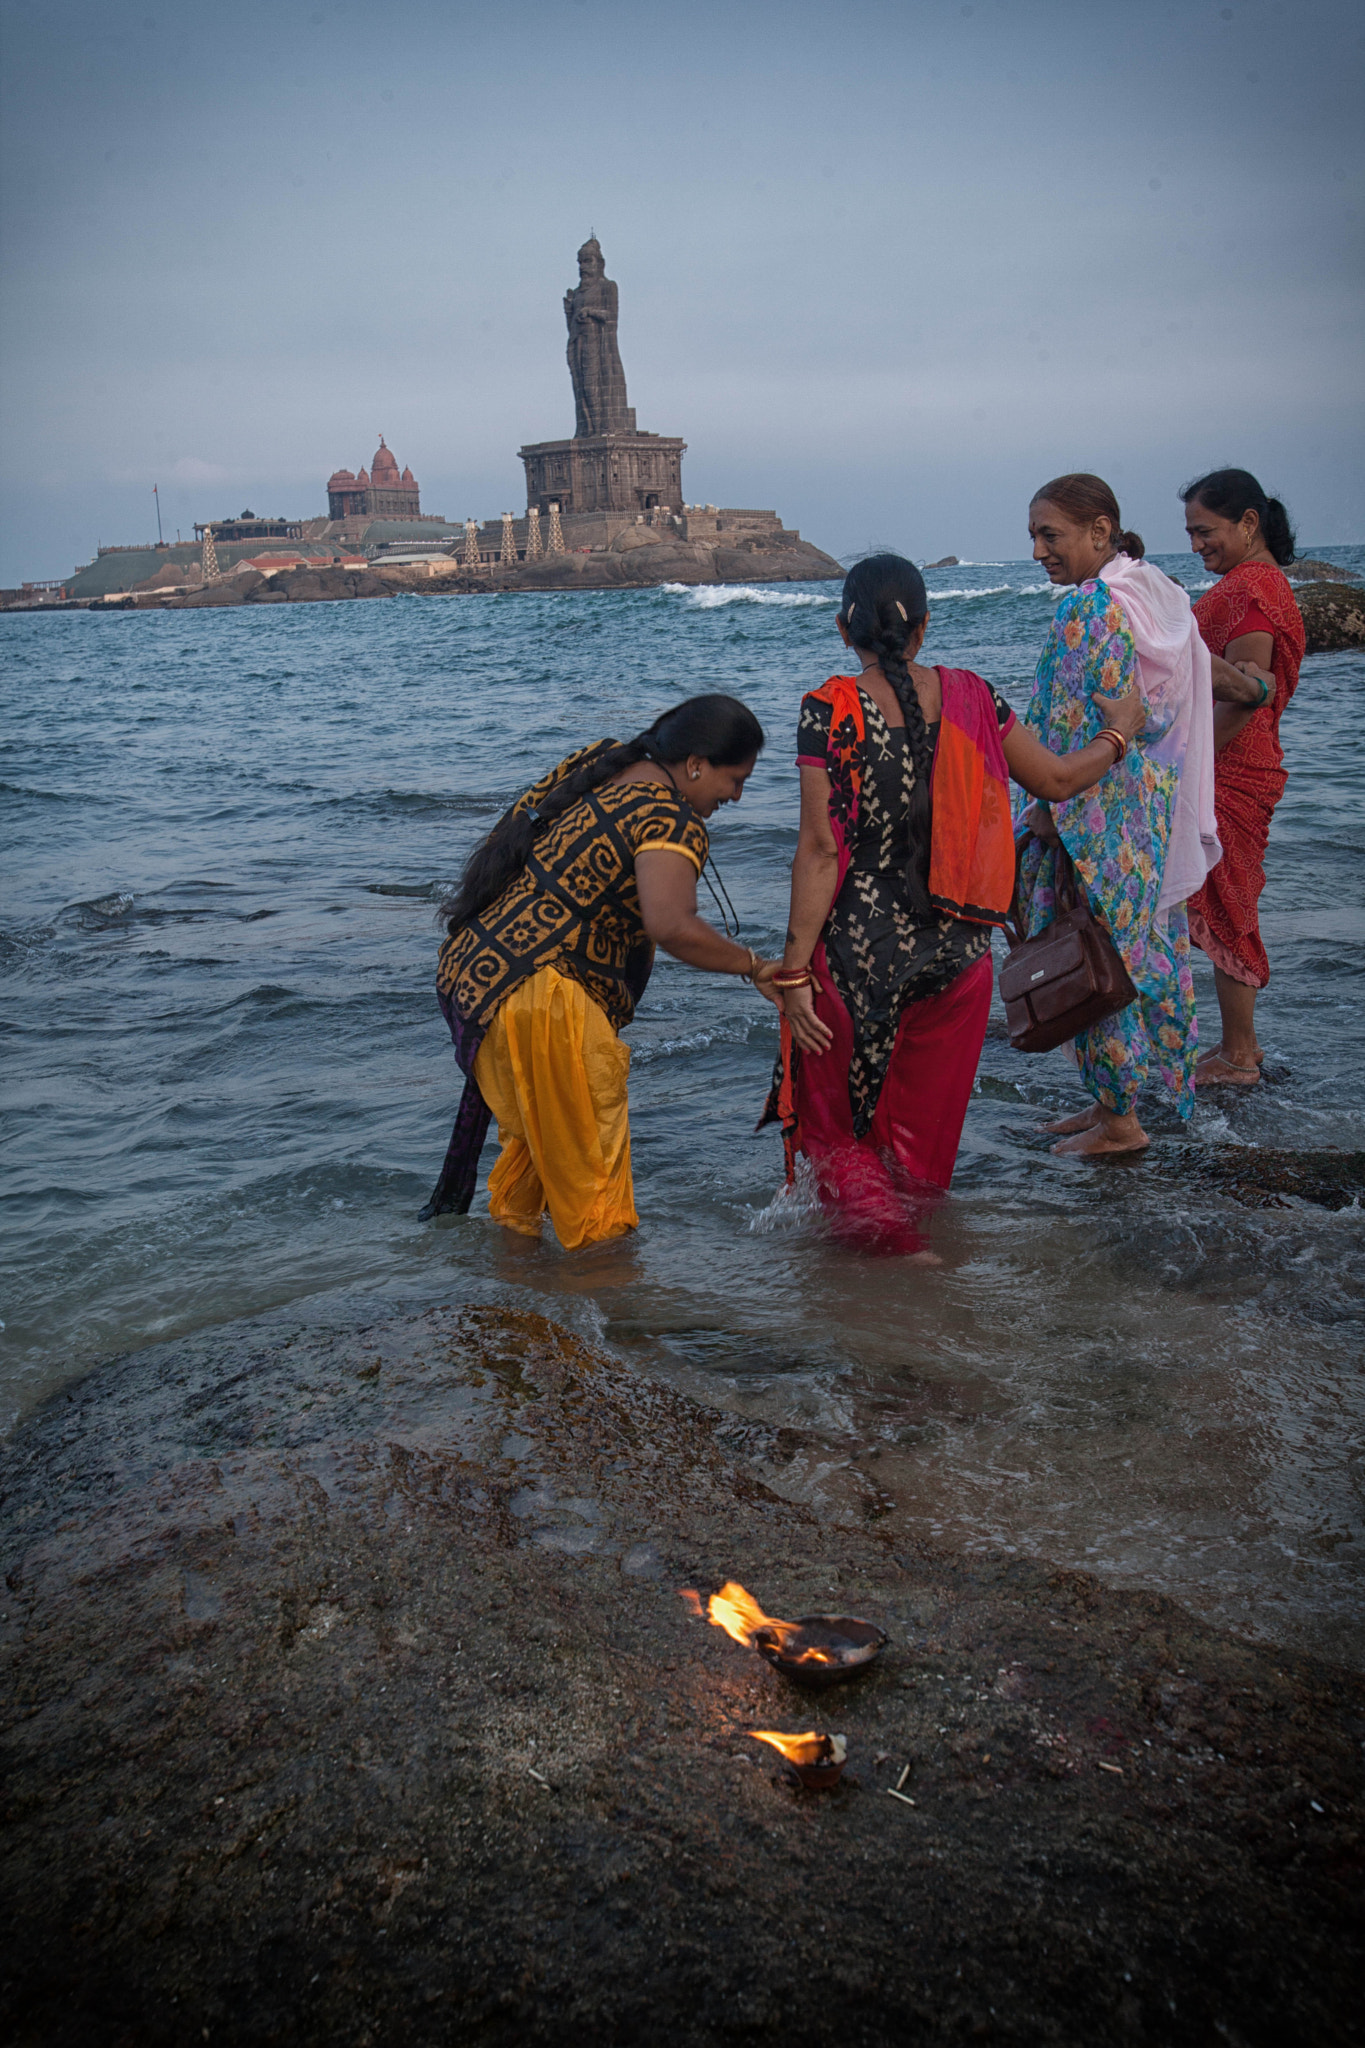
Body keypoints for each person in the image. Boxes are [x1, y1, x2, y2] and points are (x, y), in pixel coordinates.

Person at [761, 552, 1145, 1252]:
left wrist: (791, 974)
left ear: (844, 629)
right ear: (924, 627)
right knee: (917, 1136)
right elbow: (1058, 781)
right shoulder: (976, 696)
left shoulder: (829, 710)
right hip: (960, 960)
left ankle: (901, 1262)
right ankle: (914, 1272)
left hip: (858, 961)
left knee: (835, 1132)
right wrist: (1120, 732)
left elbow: (819, 851)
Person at [422, 696, 777, 1248]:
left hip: (475, 979)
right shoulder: (669, 816)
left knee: (534, 1173)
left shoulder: (601, 761)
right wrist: (755, 967)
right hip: (545, 1005)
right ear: (697, 763)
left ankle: (512, 1314)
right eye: (736, 779)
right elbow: (671, 925)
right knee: (596, 1210)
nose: (736, 796)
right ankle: (616, 1323)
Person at [1018, 474, 1221, 1156]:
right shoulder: (1156, 595)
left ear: (1099, 531)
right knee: (1140, 953)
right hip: (1146, 813)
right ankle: (1123, 1100)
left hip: (1092, 816)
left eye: (1052, 535)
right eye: (1034, 538)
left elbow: (1073, 718)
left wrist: (1046, 809)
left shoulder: (1089, 606)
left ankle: (1118, 1122)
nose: (1040, 551)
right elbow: (1153, 712)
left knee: (1088, 961)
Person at [1180, 469, 1305, 1087]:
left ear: (1248, 524)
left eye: (1206, 531)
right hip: (1240, 763)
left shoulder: (1251, 588)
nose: (1198, 544)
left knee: (1229, 899)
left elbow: (1250, 688)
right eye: (1191, 533)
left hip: (1233, 767)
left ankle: (1238, 1053)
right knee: (1229, 895)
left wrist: (1187, 766)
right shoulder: (1254, 583)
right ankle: (1238, 1048)